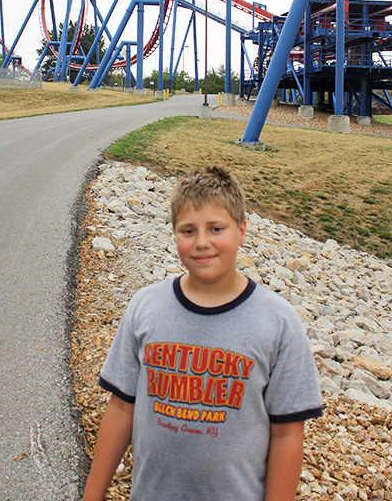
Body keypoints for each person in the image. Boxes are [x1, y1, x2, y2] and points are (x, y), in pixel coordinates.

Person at [82, 166, 323, 501]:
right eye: (188, 231)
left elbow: (287, 434)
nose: (202, 243)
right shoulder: (145, 307)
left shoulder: (278, 322)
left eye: (216, 228)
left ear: (241, 230)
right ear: (174, 234)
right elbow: (121, 408)